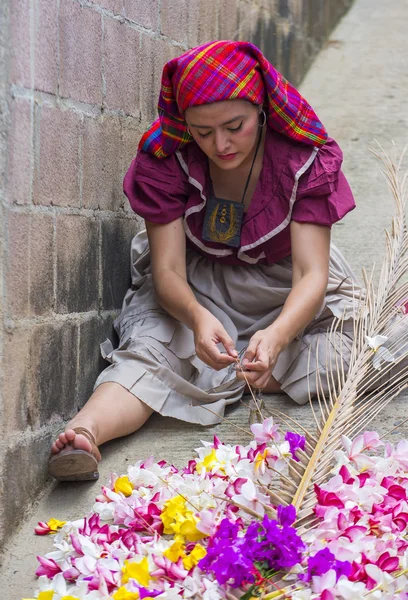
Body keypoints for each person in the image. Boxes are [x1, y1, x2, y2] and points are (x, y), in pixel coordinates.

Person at [48, 40, 361, 482]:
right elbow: (169, 271)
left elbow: (313, 276)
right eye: (202, 131)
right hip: (196, 285)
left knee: (352, 351)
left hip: (285, 288)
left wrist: (275, 337)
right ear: (184, 124)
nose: (221, 144)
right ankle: (86, 432)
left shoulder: (301, 159)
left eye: (235, 126)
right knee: (149, 351)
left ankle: (254, 373)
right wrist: (195, 318)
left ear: (262, 108)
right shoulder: (167, 159)